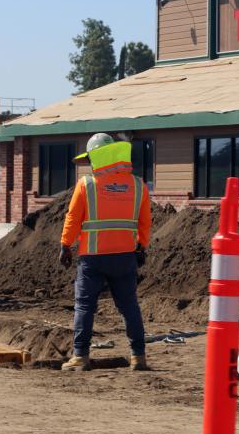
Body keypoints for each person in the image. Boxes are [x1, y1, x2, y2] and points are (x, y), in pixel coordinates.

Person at [60, 133, 152, 372]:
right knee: (129, 305)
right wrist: (142, 246)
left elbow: (73, 218)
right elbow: (144, 222)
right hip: (125, 256)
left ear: (99, 158)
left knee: (84, 306)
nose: (90, 163)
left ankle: (80, 356)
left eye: (91, 158)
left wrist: (65, 245)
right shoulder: (138, 186)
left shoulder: (87, 185)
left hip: (93, 258)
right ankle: (138, 357)